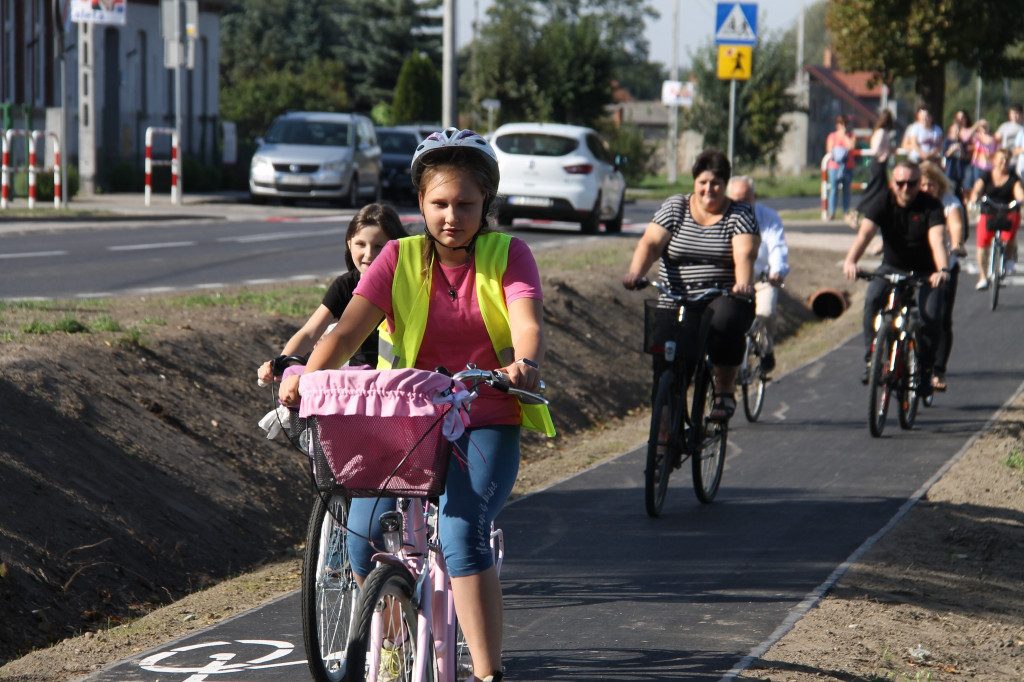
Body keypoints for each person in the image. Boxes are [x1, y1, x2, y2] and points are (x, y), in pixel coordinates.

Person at [279, 128, 554, 682]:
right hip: (406, 422)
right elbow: (343, 331)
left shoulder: (509, 254)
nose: (452, 216)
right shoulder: (396, 258)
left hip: (485, 416)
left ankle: (486, 673)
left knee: (459, 533)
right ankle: (398, 638)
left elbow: (527, 321)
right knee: (361, 545)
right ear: (421, 204)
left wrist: (521, 362)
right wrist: (306, 377)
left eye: (466, 204)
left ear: (486, 204)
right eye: (439, 204)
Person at [622, 149, 759, 422]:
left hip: (721, 296)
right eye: (703, 182)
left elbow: (745, 253)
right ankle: (662, 437)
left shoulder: (739, 213)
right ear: (695, 183)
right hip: (675, 298)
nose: (709, 189)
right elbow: (650, 243)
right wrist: (636, 272)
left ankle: (723, 389)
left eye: (716, 183)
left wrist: (743, 284)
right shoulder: (676, 207)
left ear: (726, 185)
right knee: (665, 365)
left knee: (727, 321)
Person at [256, 203, 406, 385]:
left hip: (400, 383)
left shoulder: (409, 285)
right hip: (355, 384)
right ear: (349, 244)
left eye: (378, 246)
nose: (369, 254)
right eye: (361, 244)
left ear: (396, 248)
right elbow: (310, 333)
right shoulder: (345, 285)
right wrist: (280, 363)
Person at [843, 160, 950, 389]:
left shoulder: (930, 206)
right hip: (892, 267)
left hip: (926, 271)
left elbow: (938, 241)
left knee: (930, 317)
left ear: (919, 183)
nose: (905, 189)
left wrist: (942, 270)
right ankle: (872, 359)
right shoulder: (882, 201)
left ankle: (926, 368)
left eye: (912, 184)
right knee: (872, 300)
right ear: (893, 183)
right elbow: (865, 235)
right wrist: (851, 261)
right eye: (900, 183)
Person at [726, 175, 789, 372]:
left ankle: (767, 350)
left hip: (761, 278)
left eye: (745, 198)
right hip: (731, 280)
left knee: (766, 313)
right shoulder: (722, 217)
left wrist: (777, 271)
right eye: (735, 199)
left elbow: (777, 247)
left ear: (755, 196)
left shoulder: (768, 218)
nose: (740, 204)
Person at [919, 161, 966, 392]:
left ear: (940, 185)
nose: (927, 188)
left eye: (932, 184)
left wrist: (957, 243)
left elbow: (956, 225)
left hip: (945, 265)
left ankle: (938, 370)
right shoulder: (913, 202)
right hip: (917, 265)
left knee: (941, 318)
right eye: (923, 184)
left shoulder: (950, 203)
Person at [968, 147, 1024, 290]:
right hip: (990, 210)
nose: (1003, 163)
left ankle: (1009, 258)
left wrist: (1020, 199)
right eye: (1001, 160)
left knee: (1009, 235)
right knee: (982, 242)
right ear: (994, 161)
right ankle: (983, 276)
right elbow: (978, 188)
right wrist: (975, 197)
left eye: (1006, 160)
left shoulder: (1013, 177)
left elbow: (1018, 191)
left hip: (1008, 210)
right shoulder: (986, 176)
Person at [856, 110, 895, 215]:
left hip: (880, 163)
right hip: (878, 163)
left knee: (883, 189)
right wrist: (885, 153)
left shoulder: (878, 131)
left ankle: (884, 211)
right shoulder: (882, 132)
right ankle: (858, 210)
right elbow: (876, 149)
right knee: (874, 188)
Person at [825, 115, 857, 222]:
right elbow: (829, 150)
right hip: (834, 167)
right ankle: (832, 212)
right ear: (837, 124)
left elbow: (851, 147)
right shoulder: (832, 136)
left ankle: (845, 212)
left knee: (846, 190)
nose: (843, 125)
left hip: (848, 167)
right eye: (841, 123)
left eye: (845, 123)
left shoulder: (851, 135)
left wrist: (844, 136)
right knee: (833, 189)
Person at [942, 111, 972, 204]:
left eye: (958, 129)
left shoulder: (962, 143)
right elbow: (945, 154)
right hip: (950, 171)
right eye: (955, 129)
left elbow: (964, 157)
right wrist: (952, 149)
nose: (956, 131)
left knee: (959, 192)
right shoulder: (947, 141)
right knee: (950, 191)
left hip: (959, 172)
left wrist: (960, 148)